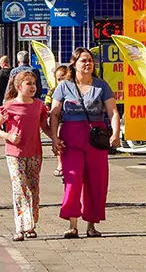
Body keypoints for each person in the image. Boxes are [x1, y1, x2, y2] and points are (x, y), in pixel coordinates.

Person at [49, 48, 120, 238]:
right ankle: (72, 225)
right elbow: (55, 113)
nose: (87, 64)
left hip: (96, 137)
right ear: (74, 64)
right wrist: (55, 138)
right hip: (71, 136)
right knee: (73, 180)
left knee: (96, 181)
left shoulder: (101, 86)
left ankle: (91, 225)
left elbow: (113, 111)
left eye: (90, 60)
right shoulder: (64, 86)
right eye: (83, 61)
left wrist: (115, 133)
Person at [0, 70, 51, 241]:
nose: (33, 87)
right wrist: (8, 136)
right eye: (28, 84)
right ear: (18, 87)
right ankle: (21, 226)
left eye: (34, 83)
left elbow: (44, 126)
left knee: (33, 188)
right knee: (20, 188)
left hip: (34, 152)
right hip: (14, 153)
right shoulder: (10, 106)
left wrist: (55, 138)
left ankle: (31, 224)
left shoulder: (39, 105)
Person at [44, 65, 71, 176]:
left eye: (62, 78)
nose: (60, 81)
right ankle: (60, 164)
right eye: (58, 79)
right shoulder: (54, 90)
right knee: (58, 139)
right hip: (59, 120)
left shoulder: (73, 88)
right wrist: (48, 109)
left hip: (71, 120)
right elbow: (47, 102)